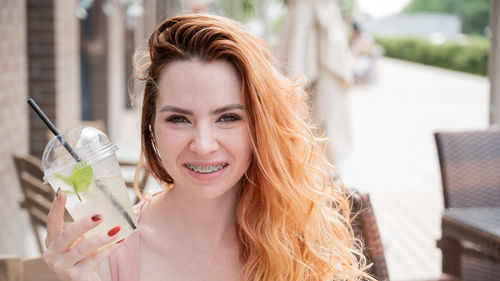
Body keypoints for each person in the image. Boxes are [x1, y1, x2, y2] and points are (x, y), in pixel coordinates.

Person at [43, 14, 372, 281]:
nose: (202, 145)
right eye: (179, 119)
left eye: (228, 117)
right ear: (151, 128)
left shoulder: (299, 239)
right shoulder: (108, 254)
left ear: (261, 126)